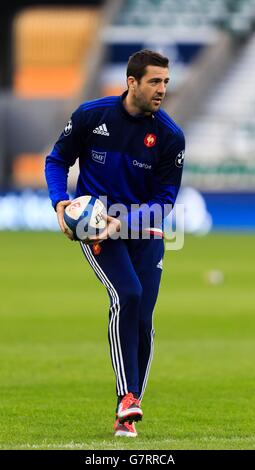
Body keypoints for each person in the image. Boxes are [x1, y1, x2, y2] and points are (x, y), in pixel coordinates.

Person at [45, 49, 185, 438]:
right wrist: (60, 202)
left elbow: (165, 201)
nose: (162, 90)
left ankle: (128, 411)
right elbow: (57, 161)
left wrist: (124, 222)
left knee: (143, 317)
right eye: (155, 81)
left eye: (166, 82)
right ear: (132, 83)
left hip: (144, 230)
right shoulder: (92, 115)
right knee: (127, 295)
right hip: (94, 227)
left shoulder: (170, 136)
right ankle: (127, 396)